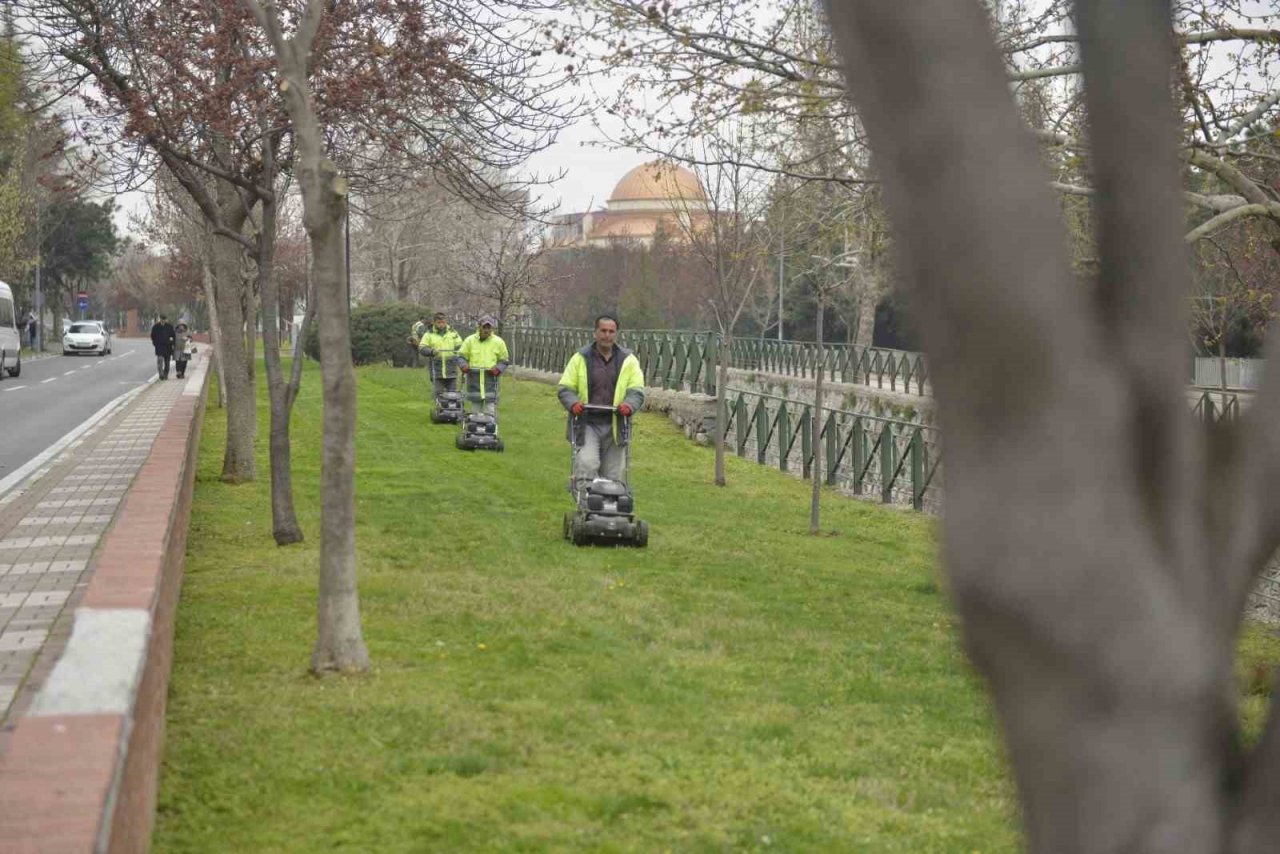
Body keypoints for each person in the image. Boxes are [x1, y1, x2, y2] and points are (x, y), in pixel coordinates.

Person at [557, 314, 646, 497]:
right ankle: (586, 504)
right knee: (588, 464)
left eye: (611, 331)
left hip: (616, 423)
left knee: (614, 474)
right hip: (587, 422)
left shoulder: (628, 360)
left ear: (616, 334)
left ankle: (611, 508)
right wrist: (573, 404)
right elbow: (565, 388)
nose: (607, 335)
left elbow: (637, 390)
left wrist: (629, 405)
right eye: (603, 331)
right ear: (595, 333)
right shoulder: (580, 358)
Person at [455, 314, 509, 416]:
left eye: (489, 328)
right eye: (484, 327)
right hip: (474, 380)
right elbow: (460, 356)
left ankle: (490, 429)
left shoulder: (498, 342)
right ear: (479, 327)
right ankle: (474, 430)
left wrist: (498, 369)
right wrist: (464, 366)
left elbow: (504, 360)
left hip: (490, 381)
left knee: (490, 410)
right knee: (475, 410)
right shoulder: (470, 341)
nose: (486, 330)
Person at [417, 312, 464, 398]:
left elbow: (460, 345)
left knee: (453, 396)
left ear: (446, 322)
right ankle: (440, 410)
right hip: (436, 370)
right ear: (434, 322)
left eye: (443, 322)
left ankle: (452, 410)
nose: (441, 325)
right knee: (439, 396)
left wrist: (459, 350)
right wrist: (432, 351)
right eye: (439, 323)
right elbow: (422, 348)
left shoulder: (453, 333)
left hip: (451, 370)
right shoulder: (429, 334)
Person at [150, 315, 176, 379]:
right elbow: (152, 336)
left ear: (166, 319)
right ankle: (161, 374)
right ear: (160, 319)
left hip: (168, 347)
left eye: (164, 319)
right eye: (162, 319)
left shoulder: (169, 327)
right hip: (159, 346)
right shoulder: (156, 327)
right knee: (160, 360)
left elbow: (173, 336)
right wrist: (155, 343)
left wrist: (172, 343)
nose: (163, 320)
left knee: (167, 363)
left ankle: (166, 374)